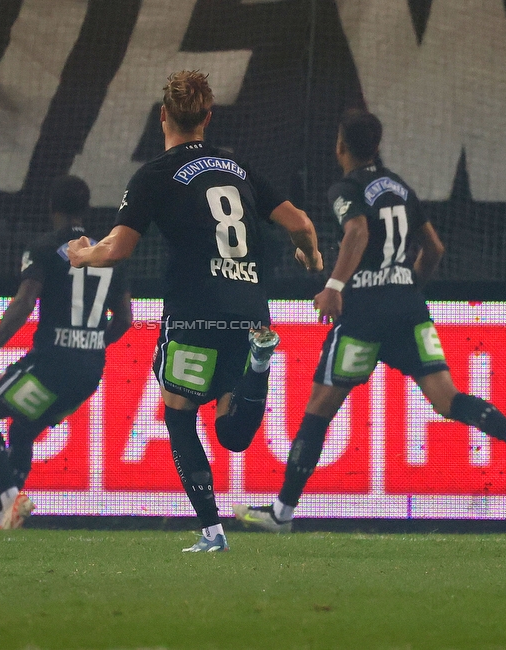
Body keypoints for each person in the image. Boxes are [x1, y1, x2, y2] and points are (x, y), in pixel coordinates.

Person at [234, 109, 506, 533]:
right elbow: (435, 248)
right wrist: (406, 290)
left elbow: (358, 233)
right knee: (448, 399)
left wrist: (334, 284)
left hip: (363, 313)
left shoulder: (345, 188)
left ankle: (283, 513)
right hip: (408, 309)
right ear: (378, 145)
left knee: (319, 409)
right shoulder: (401, 188)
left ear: (341, 147)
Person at [67, 70, 323, 552]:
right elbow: (301, 223)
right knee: (233, 434)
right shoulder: (237, 167)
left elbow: (118, 248)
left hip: (194, 312)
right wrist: (309, 254)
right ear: (207, 117)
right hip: (249, 310)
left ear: (163, 116)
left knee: (180, 415)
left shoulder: (154, 175)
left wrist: (83, 255)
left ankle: (212, 531)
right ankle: (261, 364)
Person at [0, 175, 133, 530]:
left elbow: (24, 303)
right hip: (89, 371)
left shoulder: (45, 248)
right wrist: (93, 345)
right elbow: (125, 319)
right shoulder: (111, 254)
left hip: (51, 363)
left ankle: (10, 497)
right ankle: (5, 514)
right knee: (23, 429)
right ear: (87, 208)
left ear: (52, 208)